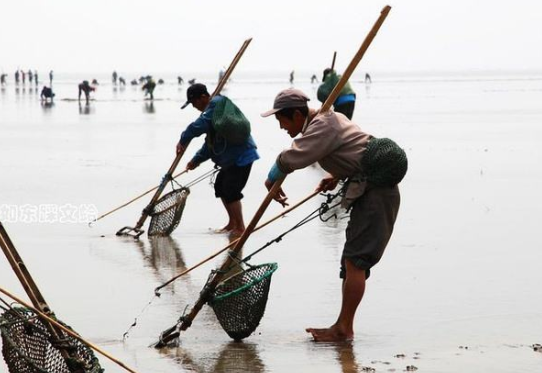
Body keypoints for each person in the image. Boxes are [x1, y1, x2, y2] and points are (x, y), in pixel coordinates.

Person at [261, 88, 403, 342]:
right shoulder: (327, 120)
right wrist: (336, 174)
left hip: (376, 194)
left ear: (295, 114)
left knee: (356, 262)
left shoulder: (323, 124)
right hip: (369, 190)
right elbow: (354, 149)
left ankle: (344, 329)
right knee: (350, 263)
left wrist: (272, 178)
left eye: (281, 120)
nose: (281, 127)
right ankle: (342, 325)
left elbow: (294, 157)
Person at [176, 83, 259, 237]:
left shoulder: (216, 105)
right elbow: (211, 144)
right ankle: (232, 222)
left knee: (230, 190)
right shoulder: (212, 113)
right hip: (231, 158)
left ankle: (240, 227)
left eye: (194, 103)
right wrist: (196, 160)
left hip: (242, 155)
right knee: (220, 186)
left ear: (203, 97)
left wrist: (183, 140)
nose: (194, 107)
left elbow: (197, 127)